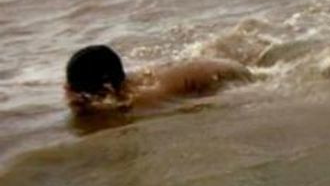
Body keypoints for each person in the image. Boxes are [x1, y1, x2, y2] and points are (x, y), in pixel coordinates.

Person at [65, 44, 252, 114]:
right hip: (214, 64)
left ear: (106, 86)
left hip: (231, 72)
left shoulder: (147, 99)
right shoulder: (128, 83)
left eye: (75, 88)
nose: (66, 91)